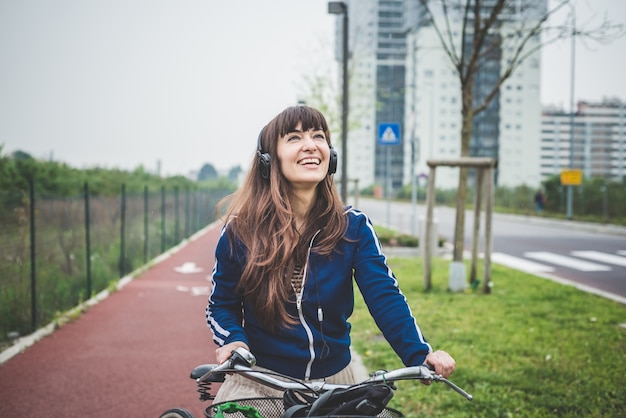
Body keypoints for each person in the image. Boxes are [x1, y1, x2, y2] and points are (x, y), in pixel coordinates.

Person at [205, 105, 456, 403]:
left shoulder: (354, 227)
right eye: (295, 138)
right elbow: (222, 304)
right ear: (268, 161)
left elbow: (385, 296)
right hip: (260, 382)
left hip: (335, 385)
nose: (311, 145)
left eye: (318, 136)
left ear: (330, 155)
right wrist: (233, 341)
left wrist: (420, 353)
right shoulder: (240, 232)